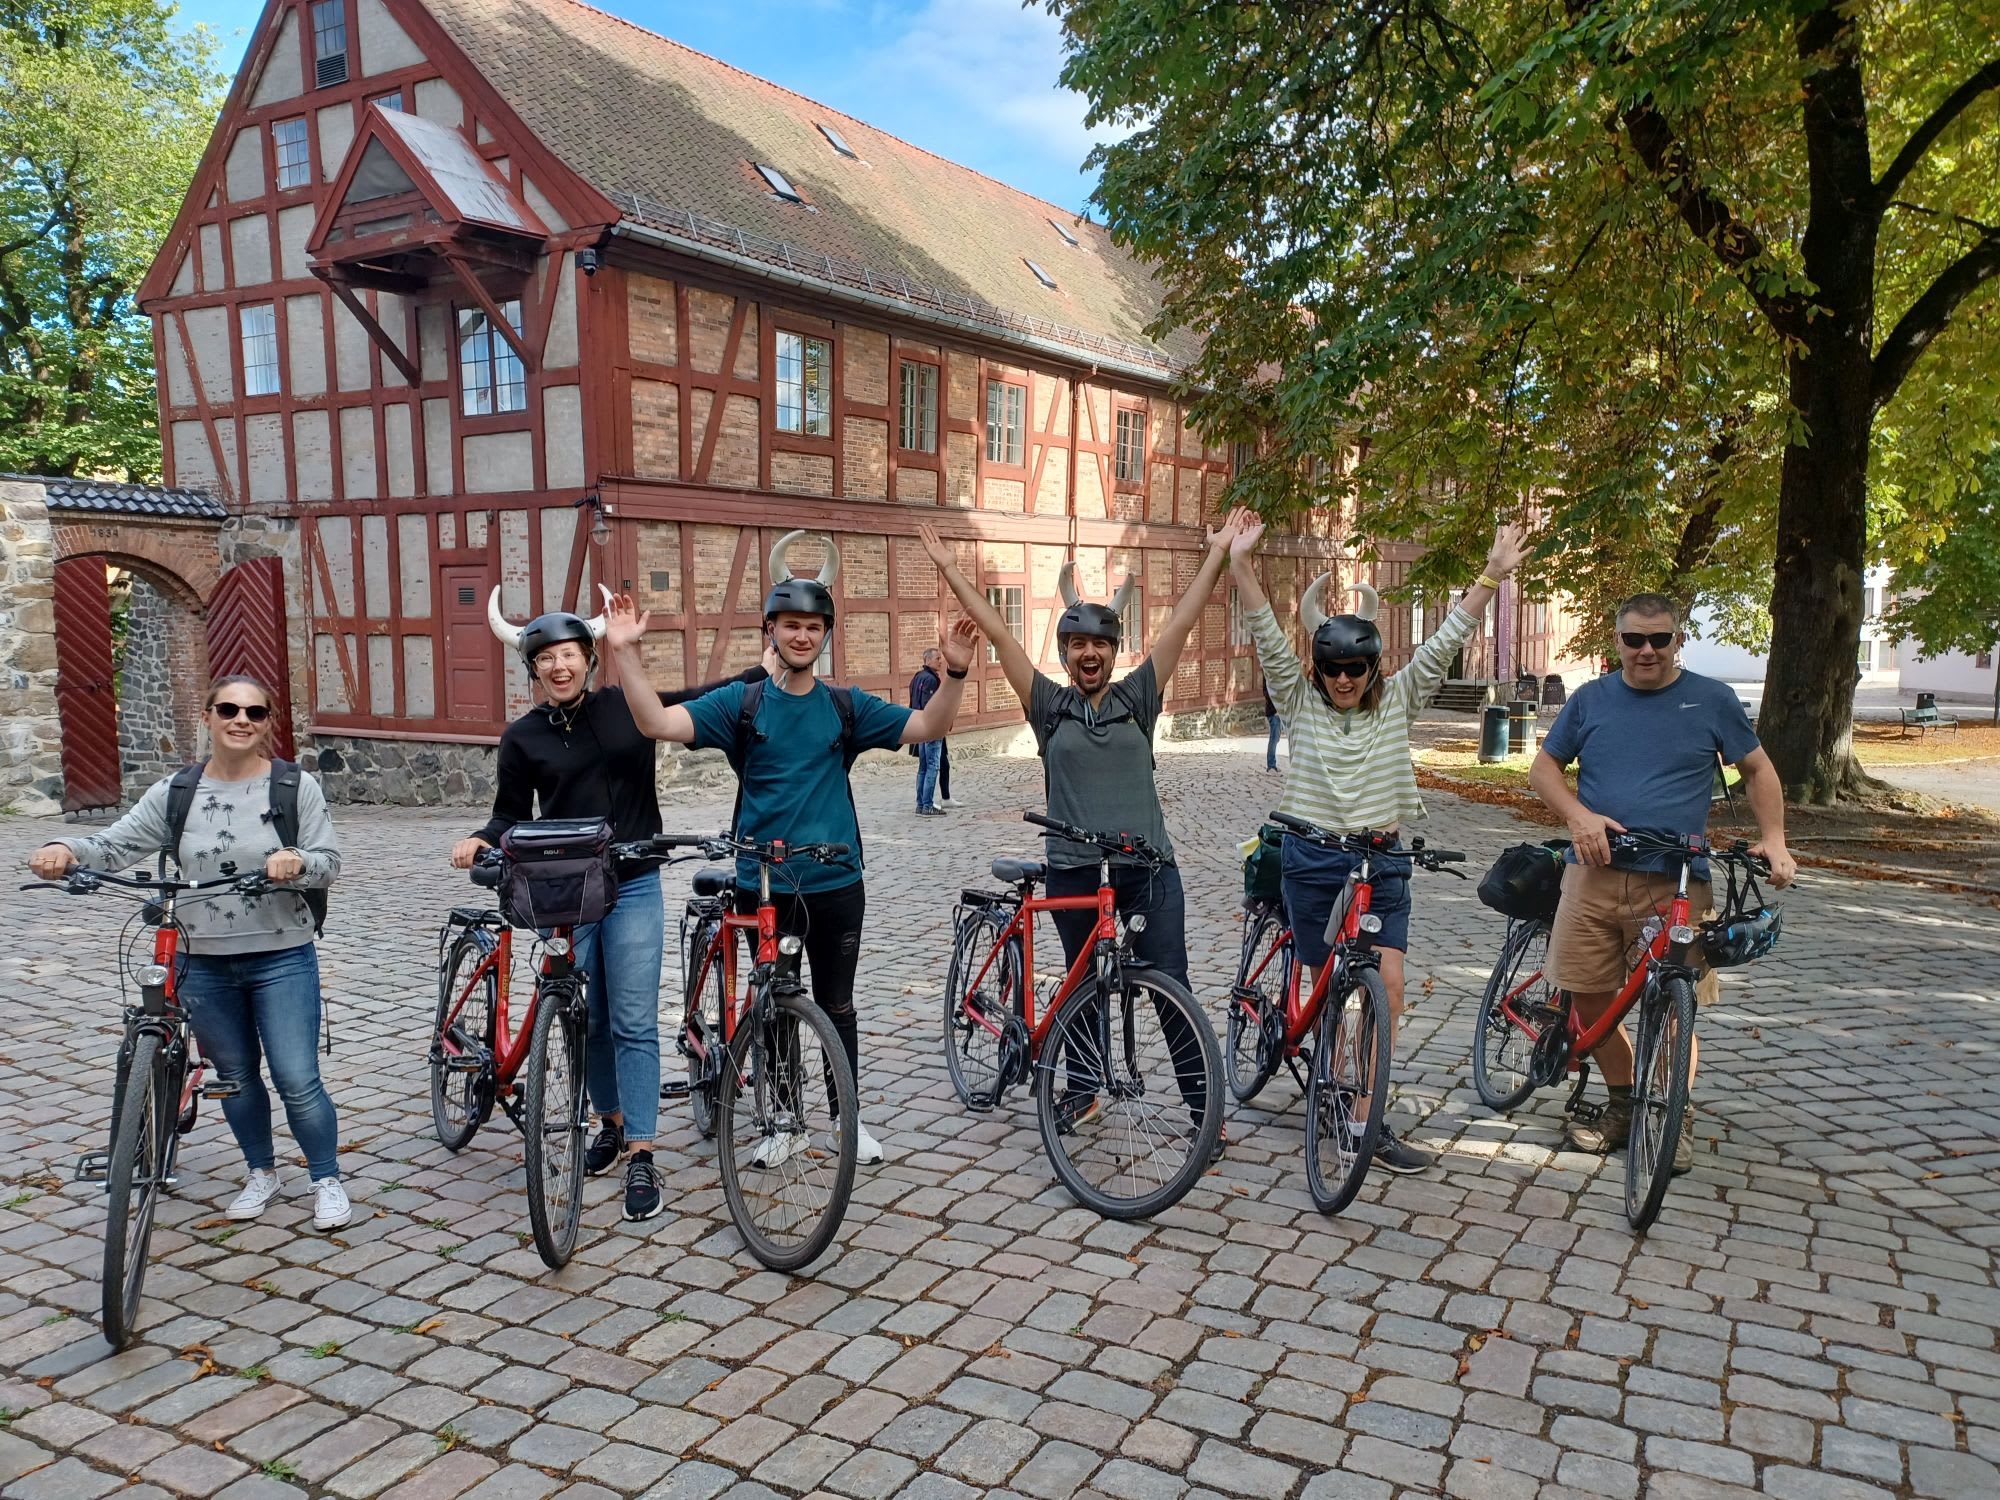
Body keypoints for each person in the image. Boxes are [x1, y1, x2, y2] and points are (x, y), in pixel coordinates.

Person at [601, 531, 980, 1166]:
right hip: (765, 886)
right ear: (771, 630)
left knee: (837, 1005)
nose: (802, 636)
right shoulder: (741, 704)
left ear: (825, 633)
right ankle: (782, 1121)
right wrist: (626, 656)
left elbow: (927, 727)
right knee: (772, 1005)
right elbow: (657, 724)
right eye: (790, 625)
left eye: (813, 626)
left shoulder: (844, 706)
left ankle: (845, 1118)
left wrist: (957, 674)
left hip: (836, 885)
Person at [918, 509, 1252, 1147]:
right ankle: (1083, 1089)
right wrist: (949, 570)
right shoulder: (1047, 704)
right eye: (1077, 644)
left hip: (1147, 866)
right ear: (1066, 652)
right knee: (1079, 980)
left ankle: (1201, 1119)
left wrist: (1214, 553)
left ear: (1115, 649)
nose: (1089, 653)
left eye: (1101, 643)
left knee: (1169, 986)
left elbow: (1183, 618)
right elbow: (994, 627)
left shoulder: (1139, 697)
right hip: (1072, 865)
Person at [452, 588, 766, 1222]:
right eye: (547, 658)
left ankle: (645, 1151)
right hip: (565, 887)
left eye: (570, 654)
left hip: (635, 880)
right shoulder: (522, 738)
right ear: (532, 667)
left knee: (632, 1018)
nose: (560, 666)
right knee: (584, 1016)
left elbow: (701, 701)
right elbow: (509, 815)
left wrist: (764, 669)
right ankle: (613, 1123)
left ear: (588, 659)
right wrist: (479, 840)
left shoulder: (627, 708)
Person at [1230, 515, 1527, 1174]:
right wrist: (1240, 563)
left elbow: (1451, 635)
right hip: (1312, 859)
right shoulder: (1300, 702)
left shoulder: (1397, 702)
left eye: (1356, 668)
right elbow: (1262, 631)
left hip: (1381, 861)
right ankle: (1332, 1080)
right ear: (1319, 668)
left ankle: (1363, 1117)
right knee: (1325, 984)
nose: (1343, 680)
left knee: (1383, 991)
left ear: (1373, 666)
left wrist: (1492, 573)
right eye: (1333, 669)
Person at [29, 676, 349, 1230]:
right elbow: (114, 845)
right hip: (201, 957)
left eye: (255, 711)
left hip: (281, 954)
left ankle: (325, 1178)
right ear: (208, 717)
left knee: (297, 1076)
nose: (240, 719)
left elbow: (330, 862)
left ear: (269, 722)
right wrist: (65, 849)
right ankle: (262, 1173)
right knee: (235, 1074)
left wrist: (295, 861)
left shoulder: (295, 788)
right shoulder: (176, 792)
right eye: (228, 708)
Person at [1529, 592, 1795, 1172]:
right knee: (1589, 996)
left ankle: (1673, 1112)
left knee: (1675, 1003)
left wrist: (1773, 838)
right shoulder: (1591, 699)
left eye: (1660, 639)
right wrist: (1579, 816)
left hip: (1676, 881)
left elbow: (1757, 769)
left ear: (1679, 640)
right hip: (1594, 874)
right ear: (1616, 640)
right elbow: (1544, 768)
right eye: (1634, 640)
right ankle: (1625, 1103)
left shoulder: (1711, 699)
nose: (1647, 650)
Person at [909, 647, 946, 817]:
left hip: (919, 728)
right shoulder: (931, 680)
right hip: (930, 729)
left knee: (923, 767)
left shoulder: (917, 677)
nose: (940, 661)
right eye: (938, 658)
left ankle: (920, 804)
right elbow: (930, 706)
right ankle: (927, 805)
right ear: (928, 660)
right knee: (932, 766)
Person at [1261, 671, 1282, 771]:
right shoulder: (1268, 676)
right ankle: (1271, 764)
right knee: (1274, 739)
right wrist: (1276, 709)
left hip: (1278, 712)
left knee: (1276, 738)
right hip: (1273, 712)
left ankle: (1271, 763)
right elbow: (1268, 694)